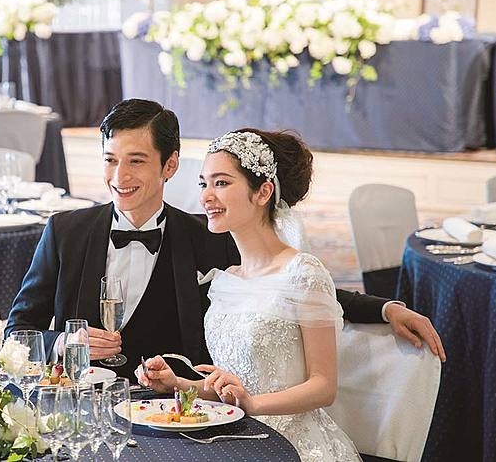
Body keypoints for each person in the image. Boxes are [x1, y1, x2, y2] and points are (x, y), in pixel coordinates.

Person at [5, 99, 445, 380]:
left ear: (170, 165)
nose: (120, 177)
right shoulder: (64, 232)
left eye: (136, 161)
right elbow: (16, 332)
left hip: (176, 413)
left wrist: (385, 307)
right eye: (110, 160)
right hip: (84, 405)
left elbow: (289, 283)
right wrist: (61, 342)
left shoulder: (209, 235)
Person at [136, 129, 357, 460]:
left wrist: (252, 405)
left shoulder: (303, 273)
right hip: (232, 436)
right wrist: (178, 384)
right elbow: (230, 391)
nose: (207, 196)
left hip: (292, 445)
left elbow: (324, 387)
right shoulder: (227, 280)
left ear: (263, 192)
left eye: (222, 183)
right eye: (203, 184)